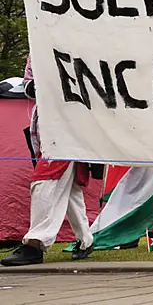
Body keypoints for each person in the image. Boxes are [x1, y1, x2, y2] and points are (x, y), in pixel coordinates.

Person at [1, 56, 95, 267]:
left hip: (70, 126)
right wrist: (40, 85)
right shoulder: (36, 49)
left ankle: (36, 242)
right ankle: (85, 240)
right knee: (68, 189)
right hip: (45, 127)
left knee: (45, 180)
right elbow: (28, 84)